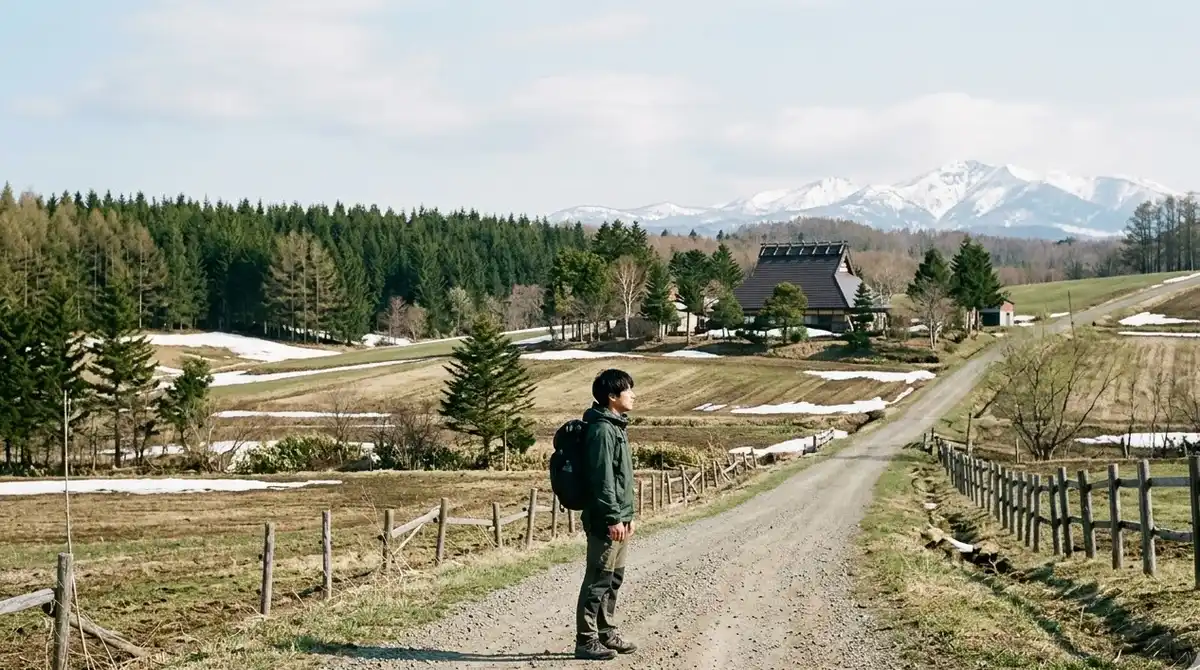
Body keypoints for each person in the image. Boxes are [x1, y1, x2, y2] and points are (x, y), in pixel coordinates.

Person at [574, 368, 639, 661]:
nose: (633, 395)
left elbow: (622, 479)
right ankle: (586, 640)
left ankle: (606, 632)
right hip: (605, 520)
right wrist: (613, 517)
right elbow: (603, 481)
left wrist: (628, 516)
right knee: (598, 578)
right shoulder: (601, 430)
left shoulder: (616, 426)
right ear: (612, 397)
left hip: (619, 519)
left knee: (613, 579)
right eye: (628, 390)